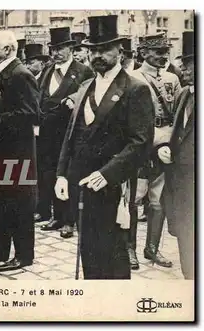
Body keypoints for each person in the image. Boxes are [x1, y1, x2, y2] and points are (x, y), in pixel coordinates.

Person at [55, 15, 154, 279]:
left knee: (113, 255)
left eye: (104, 49)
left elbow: (140, 142)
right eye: (93, 50)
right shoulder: (86, 85)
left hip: (112, 185)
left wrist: (107, 174)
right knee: (89, 253)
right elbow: (71, 134)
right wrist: (62, 173)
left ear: (119, 51)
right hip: (82, 185)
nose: (97, 55)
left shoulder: (135, 88)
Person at [0, 30, 40, 272]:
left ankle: (24, 255)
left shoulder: (21, 74)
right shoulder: (2, 71)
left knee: (19, 203)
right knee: (1, 200)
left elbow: (31, 113)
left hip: (18, 151)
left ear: (8, 50)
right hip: (2, 150)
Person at [129, 33, 181, 269]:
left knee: (158, 200)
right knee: (134, 198)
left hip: (167, 141)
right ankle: (128, 249)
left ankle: (152, 248)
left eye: (165, 52)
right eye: (158, 52)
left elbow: (179, 112)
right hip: (141, 142)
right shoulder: (132, 77)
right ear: (143, 54)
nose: (163, 56)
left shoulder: (172, 78)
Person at [36, 27, 94, 238]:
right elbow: (39, 94)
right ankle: (57, 216)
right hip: (47, 132)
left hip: (70, 132)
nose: (56, 53)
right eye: (53, 49)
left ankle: (70, 220)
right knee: (49, 173)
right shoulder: (48, 70)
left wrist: (73, 98)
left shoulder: (82, 71)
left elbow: (88, 92)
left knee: (68, 174)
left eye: (61, 48)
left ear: (71, 48)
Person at [161, 31, 195, 280]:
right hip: (180, 180)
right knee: (184, 233)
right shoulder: (184, 94)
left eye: (192, 65)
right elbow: (177, 131)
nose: (185, 71)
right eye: (184, 65)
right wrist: (166, 148)